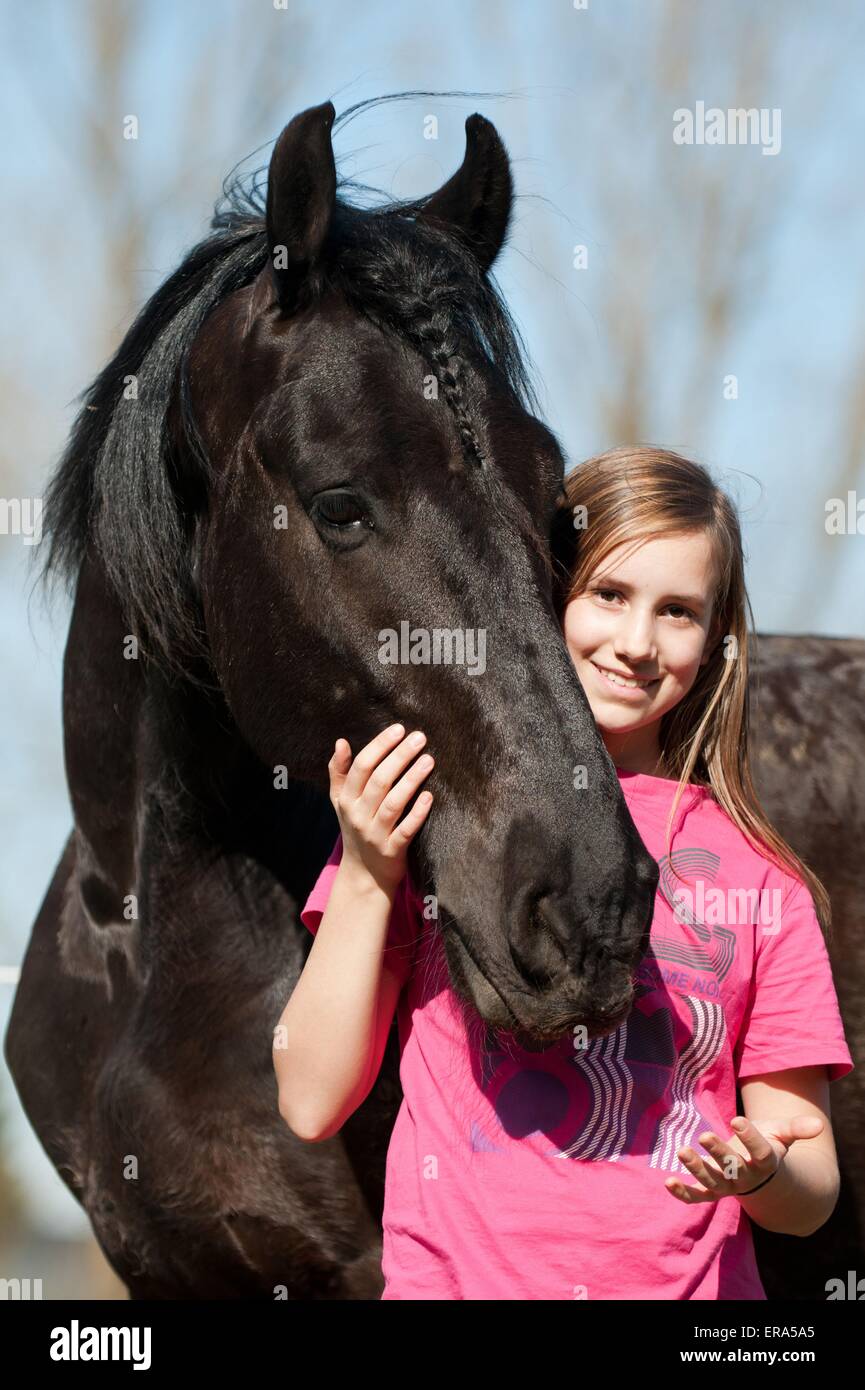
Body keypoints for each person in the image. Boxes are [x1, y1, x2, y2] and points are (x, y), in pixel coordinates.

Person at [272, 444, 853, 1300]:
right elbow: (311, 1099)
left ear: (713, 640)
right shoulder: (434, 820)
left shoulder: (761, 878)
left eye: (678, 611)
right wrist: (366, 870)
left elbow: (809, 1196)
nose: (636, 642)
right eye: (609, 595)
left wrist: (764, 1169)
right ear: (543, 597)